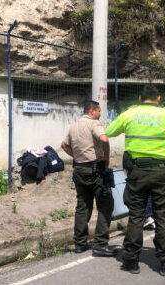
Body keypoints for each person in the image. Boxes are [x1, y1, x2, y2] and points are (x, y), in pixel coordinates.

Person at [106, 85, 165, 276]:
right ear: (158, 98)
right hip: (162, 172)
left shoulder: (129, 114)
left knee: (136, 216)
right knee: (162, 216)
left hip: (137, 172)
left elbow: (110, 131)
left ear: (139, 97)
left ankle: (130, 261)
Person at [61, 100, 116, 257]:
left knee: (83, 206)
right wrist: (105, 158)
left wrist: (77, 157)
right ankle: (100, 243)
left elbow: (64, 145)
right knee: (106, 204)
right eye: (99, 111)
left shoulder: (73, 126)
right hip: (95, 169)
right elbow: (104, 139)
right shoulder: (94, 124)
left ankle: (79, 243)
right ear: (92, 111)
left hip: (79, 169)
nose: (100, 114)